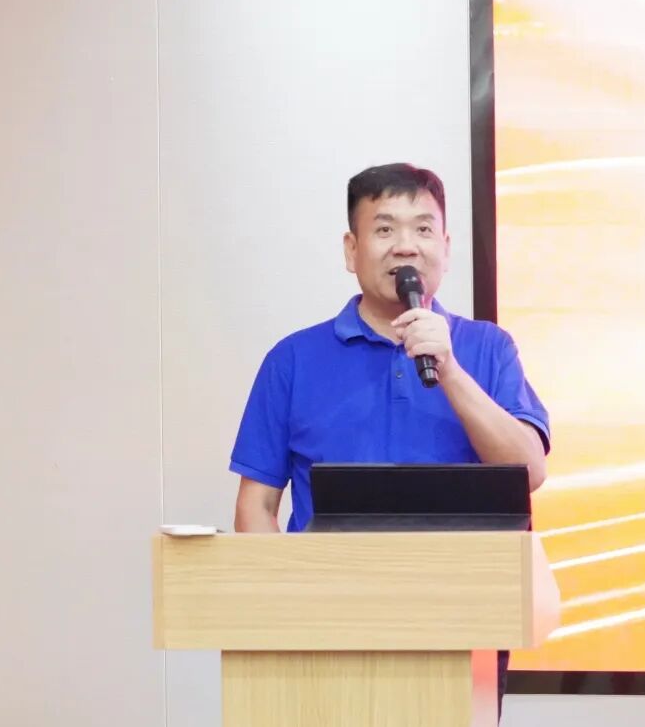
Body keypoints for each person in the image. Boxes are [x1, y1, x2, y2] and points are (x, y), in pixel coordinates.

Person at [230, 162, 550, 718]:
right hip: (326, 632)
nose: (406, 246)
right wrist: (291, 607)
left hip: (462, 626)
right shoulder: (293, 360)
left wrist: (449, 370)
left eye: (423, 229)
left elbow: (531, 473)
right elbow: (255, 507)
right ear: (351, 250)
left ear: (446, 248)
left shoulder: (488, 348)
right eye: (384, 229)